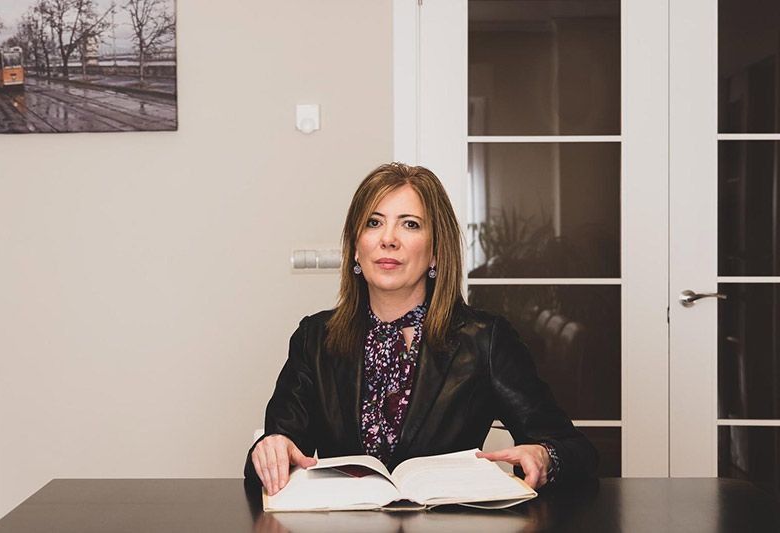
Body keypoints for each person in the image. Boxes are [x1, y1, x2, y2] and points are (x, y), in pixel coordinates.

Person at [244, 162, 598, 496]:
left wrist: (546, 457)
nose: (389, 239)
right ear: (356, 247)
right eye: (373, 223)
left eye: (410, 224)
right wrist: (268, 451)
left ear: (436, 252)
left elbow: (576, 452)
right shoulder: (314, 338)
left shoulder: (485, 340)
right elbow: (272, 456)